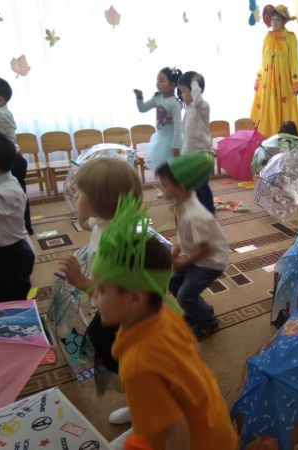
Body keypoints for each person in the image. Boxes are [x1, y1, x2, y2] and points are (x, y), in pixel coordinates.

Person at [91, 193, 237, 450]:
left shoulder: (137, 365)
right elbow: (194, 349)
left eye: (102, 290)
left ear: (135, 298)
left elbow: (177, 432)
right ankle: (143, 417)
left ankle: (144, 420)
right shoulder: (164, 314)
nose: (95, 296)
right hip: (214, 425)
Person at [57, 157, 142, 425]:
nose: (75, 195)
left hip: (125, 316)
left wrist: (79, 280)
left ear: (99, 201)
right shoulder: (110, 221)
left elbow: (109, 298)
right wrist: (85, 215)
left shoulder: (111, 247)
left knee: (130, 366)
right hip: (126, 309)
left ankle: (145, 416)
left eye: (80, 193)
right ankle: (137, 403)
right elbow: (90, 223)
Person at [155, 152, 229, 341]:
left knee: (185, 296)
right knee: (174, 284)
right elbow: (187, 235)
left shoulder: (195, 214)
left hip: (211, 262)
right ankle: (196, 310)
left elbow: (205, 246)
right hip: (196, 256)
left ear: (180, 188)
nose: (160, 188)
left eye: (164, 185)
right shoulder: (182, 202)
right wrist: (178, 247)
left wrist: (184, 261)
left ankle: (208, 321)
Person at [0, 129, 34, 302]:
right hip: (6, 251)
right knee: (7, 293)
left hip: (8, 257)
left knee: (9, 300)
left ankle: (18, 317)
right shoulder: (7, 180)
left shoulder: (1, 195)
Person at [0, 76, 33, 234]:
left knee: (16, 195)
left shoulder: (3, 114)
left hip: (12, 161)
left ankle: (25, 227)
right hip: (1, 160)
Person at [250, 4, 298, 137]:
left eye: (277, 20)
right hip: (267, 83)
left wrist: (296, 82)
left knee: (284, 109)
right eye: (272, 19)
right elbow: (263, 61)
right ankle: (269, 138)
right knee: (268, 109)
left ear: (283, 21)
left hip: (283, 82)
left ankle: (284, 137)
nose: (274, 22)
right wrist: (258, 79)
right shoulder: (267, 37)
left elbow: (294, 61)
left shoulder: (290, 37)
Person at [178, 71, 215, 214]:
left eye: (184, 91)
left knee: (202, 185)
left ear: (195, 90)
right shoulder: (189, 109)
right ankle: (203, 209)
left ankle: (209, 211)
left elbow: (197, 99)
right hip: (191, 153)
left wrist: (194, 81)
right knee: (197, 186)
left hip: (202, 153)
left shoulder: (202, 107)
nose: (182, 95)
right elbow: (187, 134)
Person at [134, 67, 183, 171]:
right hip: (159, 139)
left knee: (173, 170)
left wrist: (176, 146)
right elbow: (143, 108)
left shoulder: (174, 103)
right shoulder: (157, 97)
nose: (157, 83)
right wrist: (139, 98)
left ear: (172, 85)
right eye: (157, 80)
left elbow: (178, 127)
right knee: (162, 171)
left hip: (171, 141)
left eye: (161, 80)